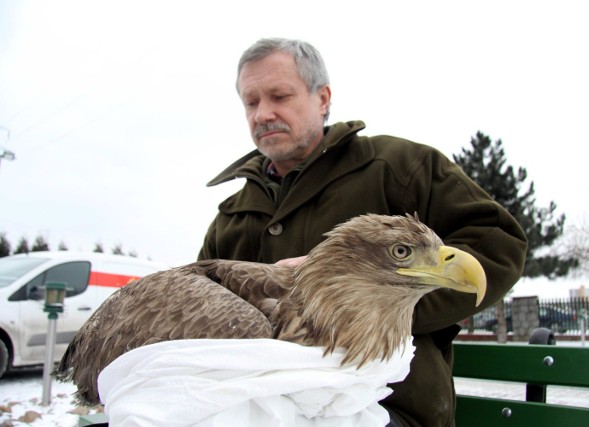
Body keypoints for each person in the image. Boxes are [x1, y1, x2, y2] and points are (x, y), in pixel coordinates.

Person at [198, 38, 527, 427]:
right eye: (251, 102)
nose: (263, 113)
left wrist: (369, 309)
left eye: (280, 96)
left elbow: (498, 243)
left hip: (390, 405)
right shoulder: (232, 213)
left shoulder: (396, 166)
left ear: (323, 98)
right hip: (255, 407)